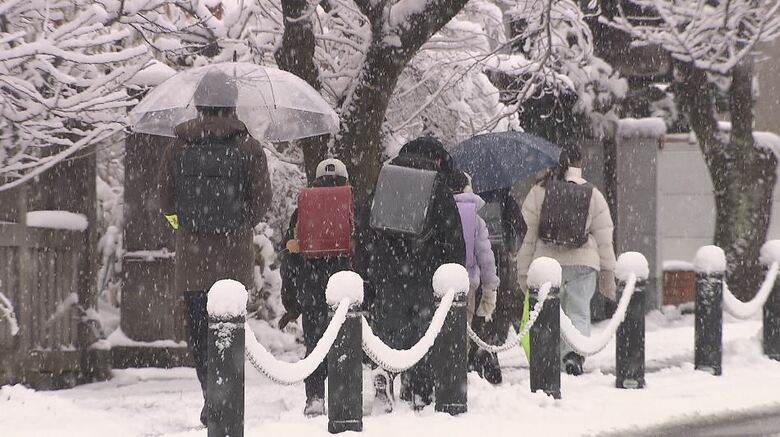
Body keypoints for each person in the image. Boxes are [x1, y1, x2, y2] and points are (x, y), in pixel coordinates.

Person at [158, 70, 272, 426]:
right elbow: (261, 201)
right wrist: (238, 223)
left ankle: (211, 396)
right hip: (233, 260)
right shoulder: (248, 147)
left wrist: (184, 223)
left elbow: (164, 199)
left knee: (198, 332)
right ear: (232, 105)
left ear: (199, 105)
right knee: (229, 331)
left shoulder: (178, 147)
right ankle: (227, 400)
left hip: (192, 261)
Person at [364, 136, 466, 412]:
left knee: (387, 331)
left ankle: (383, 378)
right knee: (423, 333)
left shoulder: (387, 179)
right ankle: (419, 390)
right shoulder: (438, 185)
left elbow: (369, 228)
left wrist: (370, 275)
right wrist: (454, 273)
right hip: (425, 272)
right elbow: (453, 237)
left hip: (388, 272)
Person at [516, 143, 616, 376]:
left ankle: (550, 359)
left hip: (547, 265)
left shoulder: (539, 191)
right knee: (579, 311)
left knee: (549, 313)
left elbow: (527, 236)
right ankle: (572, 355)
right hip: (583, 263)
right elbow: (604, 238)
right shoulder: (592, 194)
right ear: (579, 164)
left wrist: (523, 273)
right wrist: (608, 276)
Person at [278, 159, 355, 417]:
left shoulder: (303, 208)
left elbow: (290, 255)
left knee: (314, 344)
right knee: (345, 342)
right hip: (345, 286)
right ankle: (344, 394)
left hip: (312, 288)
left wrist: (291, 300)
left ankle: (315, 397)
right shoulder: (352, 204)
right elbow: (364, 247)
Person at [449, 171, 502, 382]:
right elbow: (486, 257)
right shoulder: (475, 218)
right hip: (468, 282)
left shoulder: (439, 209)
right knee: (464, 329)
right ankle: (457, 377)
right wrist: (490, 288)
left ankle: (446, 375)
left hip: (440, 281)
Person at [472, 187, 525, 383]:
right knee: (495, 307)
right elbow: (520, 227)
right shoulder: (504, 197)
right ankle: (490, 353)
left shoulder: (470, 197)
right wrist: (510, 248)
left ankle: (474, 353)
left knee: (475, 308)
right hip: (498, 259)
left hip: (474, 259)